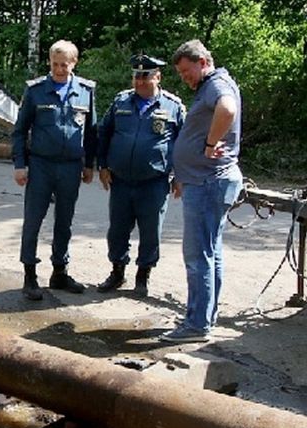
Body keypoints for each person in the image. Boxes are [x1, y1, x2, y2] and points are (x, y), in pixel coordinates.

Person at [163, 39, 243, 343]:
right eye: (181, 74)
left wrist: (210, 144)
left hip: (210, 182)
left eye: (187, 71)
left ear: (203, 62)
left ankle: (196, 325)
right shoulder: (210, 86)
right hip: (206, 180)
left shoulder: (216, 84)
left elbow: (227, 109)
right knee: (210, 253)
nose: (185, 78)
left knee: (198, 256)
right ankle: (204, 316)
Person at [11, 40, 97, 301]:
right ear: (49, 62)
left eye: (65, 64)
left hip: (71, 167)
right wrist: (19, 165)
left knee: (64, 222)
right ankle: (30, 276)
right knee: (33, 221)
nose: (60, 69)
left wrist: (90, 164)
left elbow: (92, 132)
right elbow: (19, 131)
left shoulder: (86, 91)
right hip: (41, 166)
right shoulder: (36, 91)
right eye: (55, 64)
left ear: (74, 63)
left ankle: (60, 271)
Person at [96, 54, 184, 297]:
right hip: (121, 180)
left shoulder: (173, 106)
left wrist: (180, 176)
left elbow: (184, 143)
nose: (140, 81)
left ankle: (143, 275)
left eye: (145, 76)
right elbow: (104, 133)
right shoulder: (121, 102)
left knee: (150, 231)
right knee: (117, 230)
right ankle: (117, 272)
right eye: (136, 76)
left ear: (158, 77)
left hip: (154, 182)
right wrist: (102, 165)